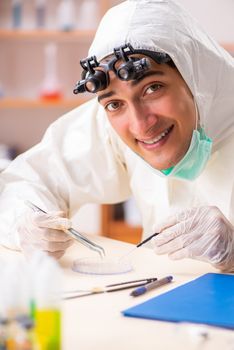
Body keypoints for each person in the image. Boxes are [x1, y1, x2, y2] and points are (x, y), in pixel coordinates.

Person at [0, 0, 234, 270]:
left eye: (153, 88)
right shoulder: (112, 121)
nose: (140, 125)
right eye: (114, 103)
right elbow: (30, 180)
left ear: (195, 75)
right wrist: (26, 224)